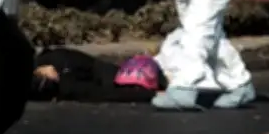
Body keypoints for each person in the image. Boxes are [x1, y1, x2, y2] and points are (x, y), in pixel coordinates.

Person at [30, 47, 167, 103]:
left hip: (103, 70)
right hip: (109, 77)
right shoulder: (68, 85)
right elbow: (105, 93)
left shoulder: (48, 58)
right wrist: (152, 95)